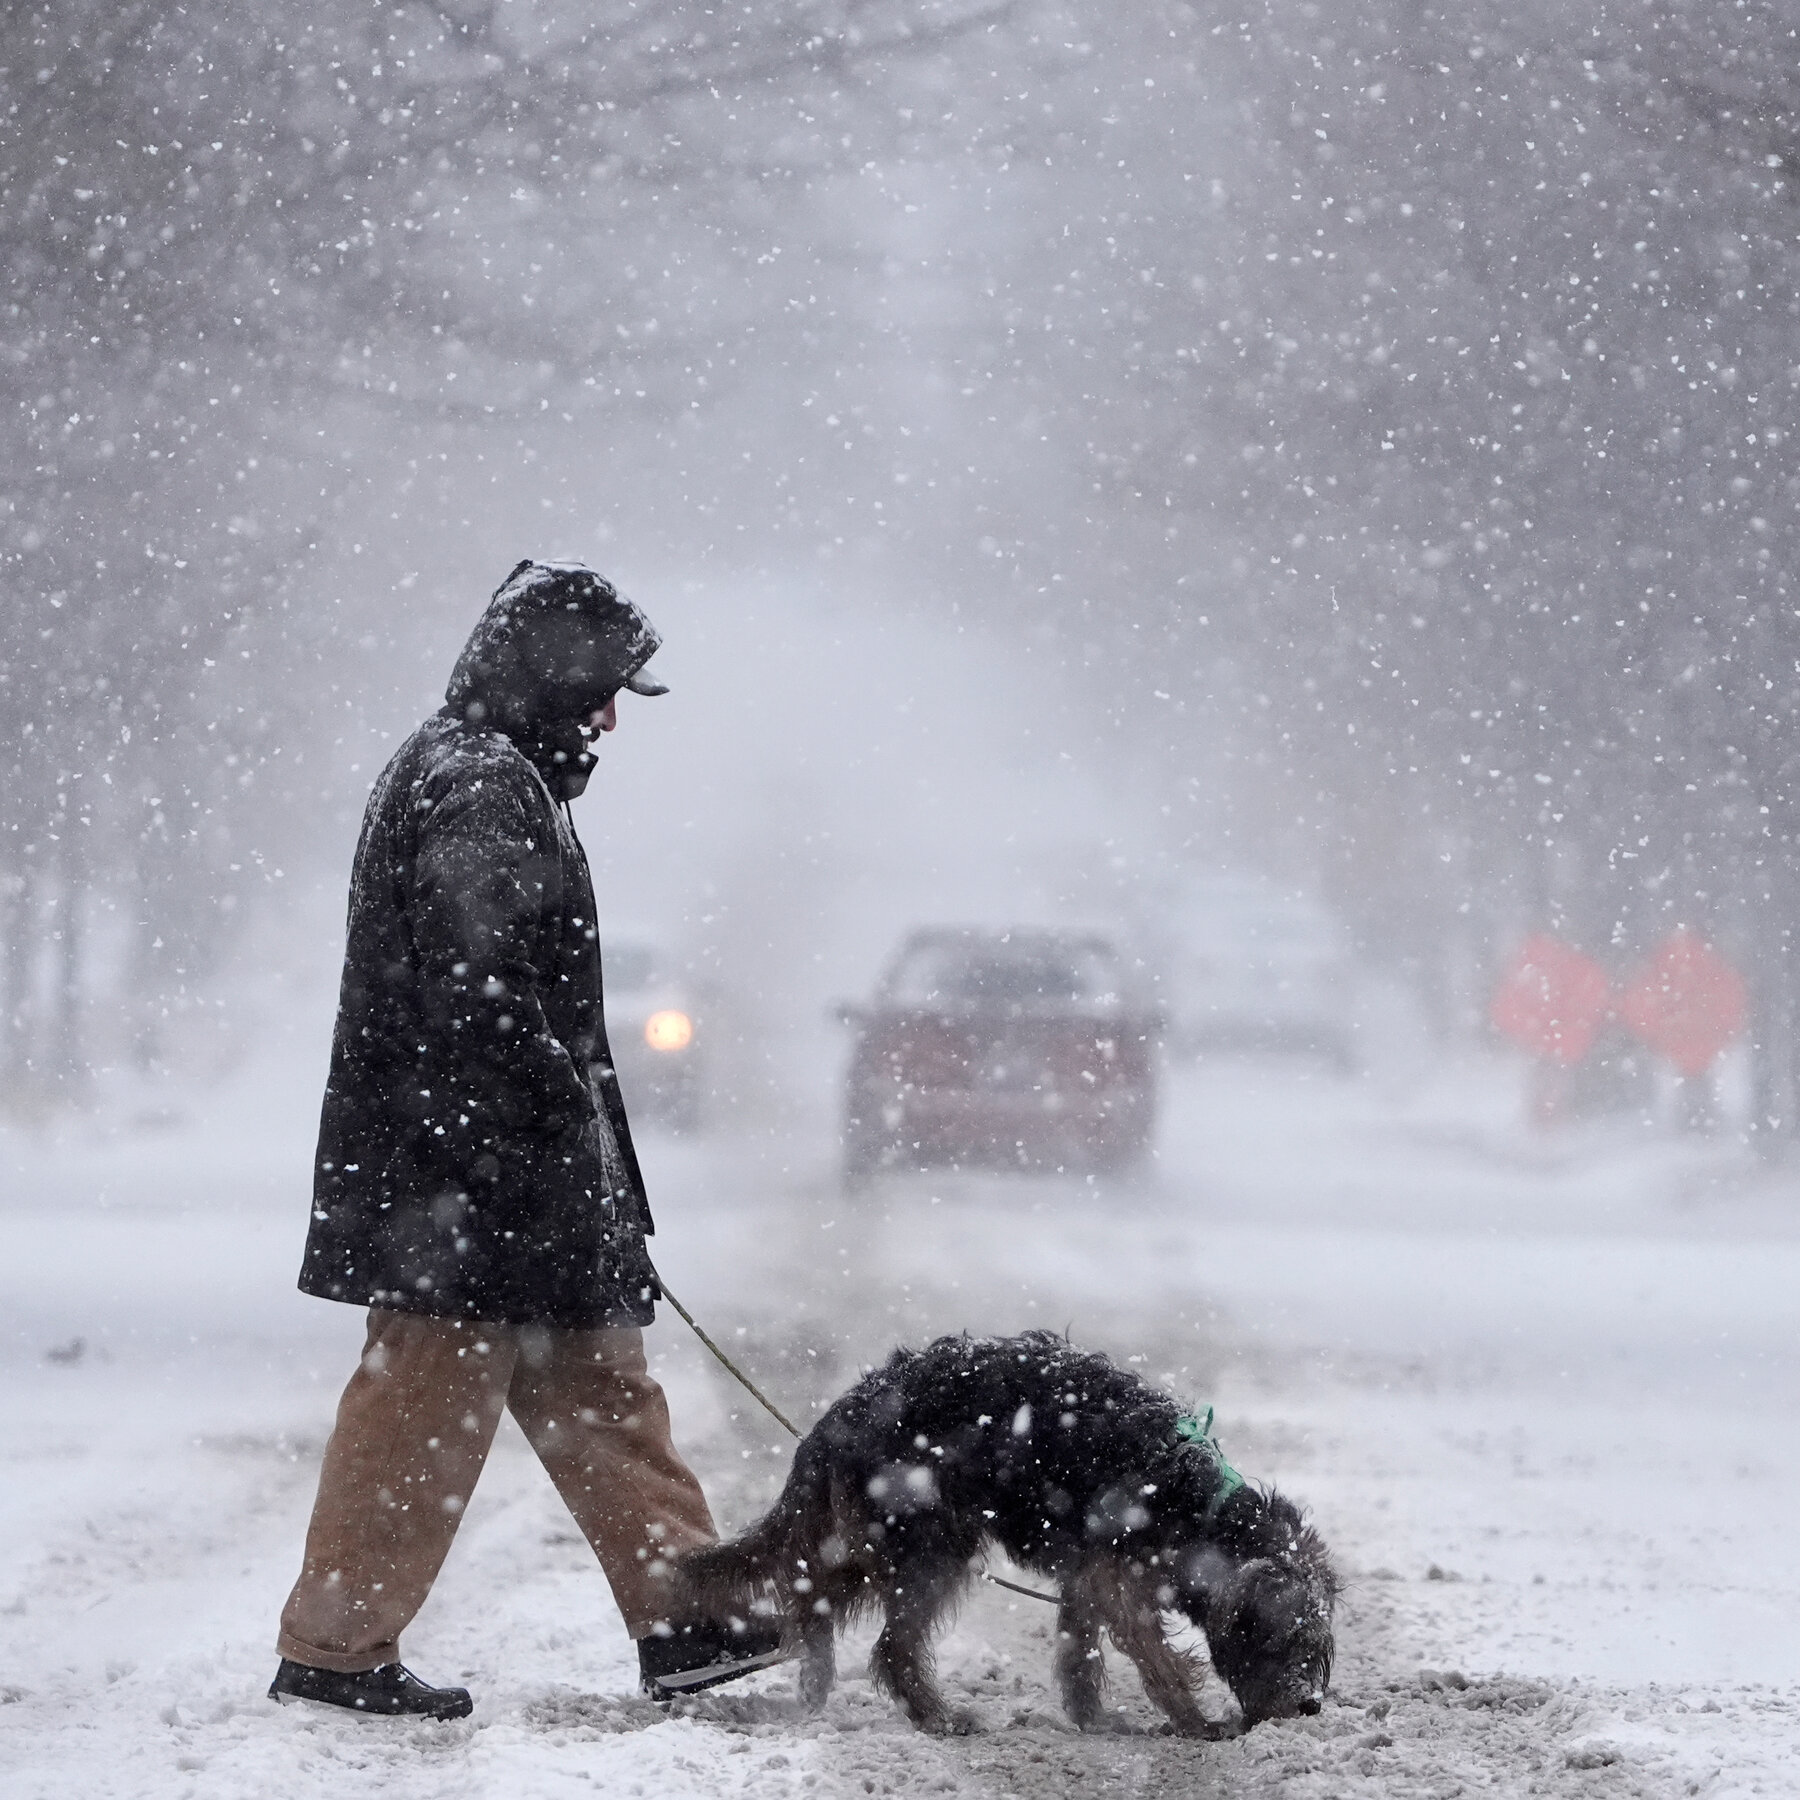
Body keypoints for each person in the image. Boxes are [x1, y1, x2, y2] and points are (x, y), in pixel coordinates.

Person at [269, 559, 781, 1719]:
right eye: (600, 690)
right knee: (421, 1411)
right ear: (546, 677)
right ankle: (335, 1653)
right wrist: (551, 1125)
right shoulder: (477, 785)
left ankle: (688, 1619)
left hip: (502, 1177)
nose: (608, 718)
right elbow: (478, 984)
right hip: (462, 1182)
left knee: (602, 1389)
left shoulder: (488, 776)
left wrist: (579, 1169)